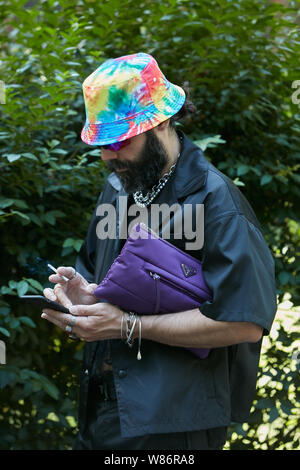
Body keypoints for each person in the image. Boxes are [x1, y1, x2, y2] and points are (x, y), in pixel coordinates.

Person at [42, 52, 277, 450]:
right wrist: (86, 295)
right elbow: (113, 285)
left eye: (119, 141)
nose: (106, 156)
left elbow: (245, 322)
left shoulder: (216, 202)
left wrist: (126, 325)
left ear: (163, 121)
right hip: (102, 416)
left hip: (174, 426)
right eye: (101, 143)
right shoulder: (117, 189)